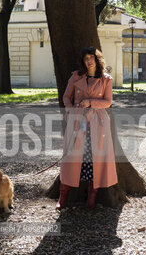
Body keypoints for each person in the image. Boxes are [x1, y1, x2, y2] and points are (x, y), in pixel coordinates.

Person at [56, 46, 118, 211]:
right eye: (86, 59)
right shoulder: (76, 76)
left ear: (97, 59)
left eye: (91, 58)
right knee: (71, 157)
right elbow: (66, 97)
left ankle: (91, 199)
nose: (89, 61)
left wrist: (90, 102)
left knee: (94, 159)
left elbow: (108, 101)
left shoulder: (106, 79)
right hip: (78, 121)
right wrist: (70, 112)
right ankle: (63, 198)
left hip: (97, 123)